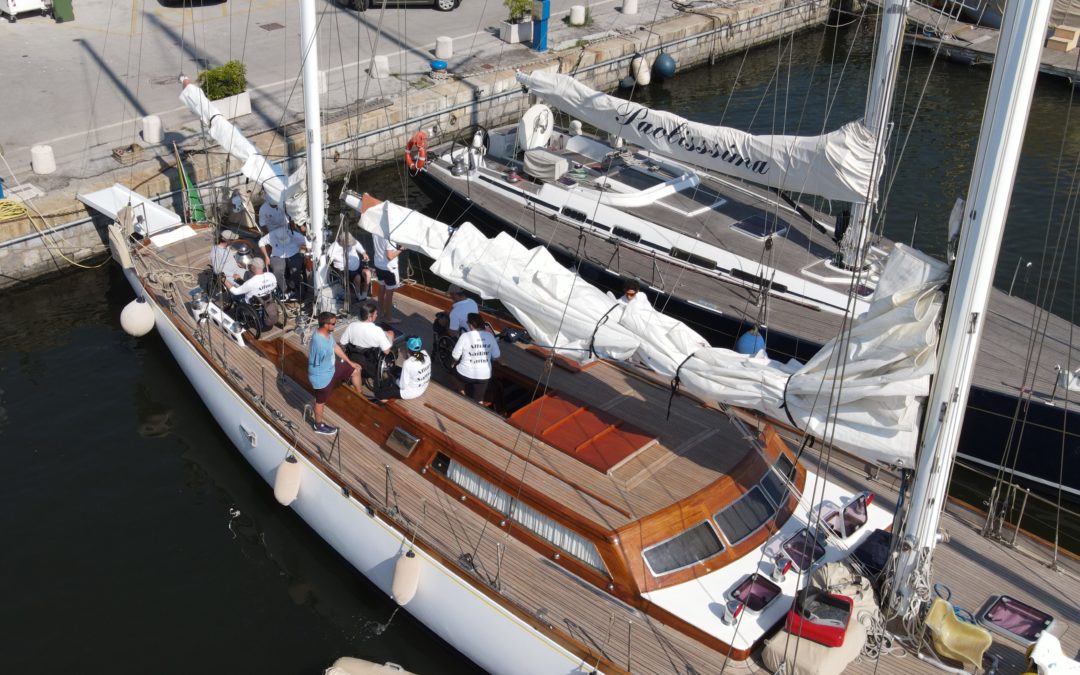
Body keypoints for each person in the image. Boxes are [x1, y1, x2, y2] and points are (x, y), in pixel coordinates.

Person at [308, 312, 362, 435]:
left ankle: (360, 398)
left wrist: (350, 362)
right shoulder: (320, 344)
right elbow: (316, 363)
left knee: (356, 370)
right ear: (325, 325)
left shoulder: (327, 334)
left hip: (332, 368)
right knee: (320, 402)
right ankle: (318, 425)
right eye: (333, 324)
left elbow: (335, 347)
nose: (335, 325)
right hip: (322, 377)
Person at [451, 313, 500, 405]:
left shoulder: (465, 336)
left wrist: (453, 363)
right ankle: (479, 401)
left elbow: (455, 355)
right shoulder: (490, 336)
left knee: (453, 373)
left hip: (464, 374)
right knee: (479, 398)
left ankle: (462, 392)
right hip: (484, 376)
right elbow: (496, 356)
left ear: (471, 325)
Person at [339, 301, 395, 380]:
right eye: (375, 314)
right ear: (370, 317)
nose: (377, 315)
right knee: (390, 333)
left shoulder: (351, 326)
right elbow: (386, 352)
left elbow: (342, 342)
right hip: (369, 362)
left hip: (354, 357)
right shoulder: (377, 331)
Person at [259, 223, 307, 300]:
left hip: (293, 254)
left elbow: (308, 243)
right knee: (277, 271)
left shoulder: (295, 234)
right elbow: (261, 242)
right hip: (277, 255)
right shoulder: (272, 235)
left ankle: (296, 288)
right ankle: (285, 290)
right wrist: (266, 256)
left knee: (295, 271)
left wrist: (305, 249)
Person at [380, 336, 432, 401]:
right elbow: (414, 363)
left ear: (407, 347)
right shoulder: (425, 354)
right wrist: (406, 356)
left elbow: (402, 386)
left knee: (380, 394)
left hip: (411, 393)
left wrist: (393, 378)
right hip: (423, 387)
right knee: (395, 369)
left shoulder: (408, 363)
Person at [328, 231, 371, 302]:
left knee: (368, 273)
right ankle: (358, 297)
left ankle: (364, 295)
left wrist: (364, 253)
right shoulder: (334, 247)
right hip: (345, 269)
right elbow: (328, 260)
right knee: (358, 277)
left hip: (357, 265)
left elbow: (358, 246)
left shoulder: (351, 239)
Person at [372, 231, 403, 322]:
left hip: (378, 265)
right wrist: (401, 249)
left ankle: (381, 312)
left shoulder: (375, 232)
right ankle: (389, 318)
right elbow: (389, 256)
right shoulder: (390, 238)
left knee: (382, 289)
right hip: (389, 268)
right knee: (389, 294)